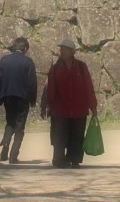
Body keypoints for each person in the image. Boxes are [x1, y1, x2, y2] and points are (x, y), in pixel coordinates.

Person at [42, 37, 97, 168]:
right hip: (61, 109)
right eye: (61, 49)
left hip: (79, 109)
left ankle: (75, 159)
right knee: (60, 136)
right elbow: (51, 89)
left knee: (77, 135)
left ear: (72, 51)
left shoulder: (81, 67)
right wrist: (50, 105)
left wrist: (93, 106)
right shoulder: (55, 69)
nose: (62, 51)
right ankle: (58, 159)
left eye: (65, 49)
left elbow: (89, 87)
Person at [0, 36, 37, 163]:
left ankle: (6, 143)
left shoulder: (4, 60)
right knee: (20, 126)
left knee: (10, 122)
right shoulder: (28, 62)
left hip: (7, 97)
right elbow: (32, 83)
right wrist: (32, 99)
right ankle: (13, 155)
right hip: (22, 98)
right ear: (25, 49)